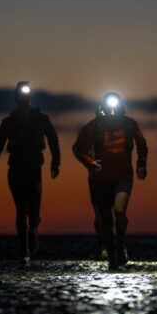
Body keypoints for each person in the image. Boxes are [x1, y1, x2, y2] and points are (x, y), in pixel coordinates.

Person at [0, 81, 60, 264]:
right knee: (21, 210)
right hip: (16, 170)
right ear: (16, 98)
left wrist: (55, 163)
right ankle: (24, 249)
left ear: (29, 97)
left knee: (34, 212)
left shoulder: (41, 119)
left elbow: (53, 140)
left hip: (34, 170)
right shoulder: (9, 122)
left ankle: (33, 231)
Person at [74, 92, 148, 270]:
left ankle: (120, 244)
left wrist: (141, 165)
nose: (112, 110)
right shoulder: (94, 126)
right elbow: (79, 148)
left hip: (123, 176)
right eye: (109, 106)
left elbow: (142, 144)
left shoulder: (130, 124)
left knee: (120, 210)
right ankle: (112, 255)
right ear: (103, 107)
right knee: (105, 219)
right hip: (100, 179)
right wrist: (90, 163)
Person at [73, 104, 108, 260]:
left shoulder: (120, 127)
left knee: (116, 211)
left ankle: (116, 244)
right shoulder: (91, 128)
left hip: (116, 175)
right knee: (100, 213)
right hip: (96, 177)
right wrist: (88, 163)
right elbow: (77, 149)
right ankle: (103, 246)